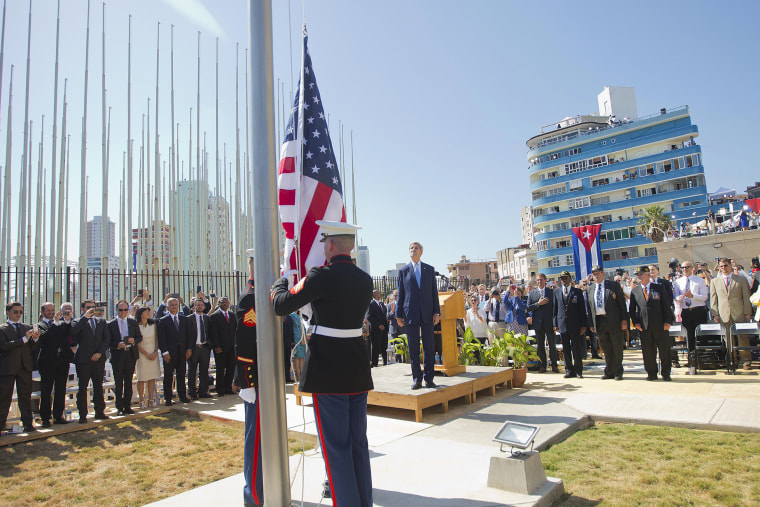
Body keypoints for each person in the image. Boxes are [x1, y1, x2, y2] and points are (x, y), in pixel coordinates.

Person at [272, 220, 374, 507]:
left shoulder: (320, 276)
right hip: (356, 371)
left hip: (329, 373)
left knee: (336, 449)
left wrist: (281, 281)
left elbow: (281, 304)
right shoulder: (365, 279)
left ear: (329, 244)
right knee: (358, 446)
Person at [235, 254, 263, 506]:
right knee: (255, 442)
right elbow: (244, 345)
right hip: (256, 381)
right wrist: (248, 382)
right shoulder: (251, 298)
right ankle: (253, 496)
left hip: (268, 378)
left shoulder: (263, 294)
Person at [395, 241, 441, 390]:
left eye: (415, 248)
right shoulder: (404, 271)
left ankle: (429, 379)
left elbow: (434, 293)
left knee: (429, 346)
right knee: (413, 348)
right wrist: (398, 314)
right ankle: (417, 379)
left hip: (427, 313)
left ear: (421, 252)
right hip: (410, 314)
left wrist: (436, 312)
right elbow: (400, 294)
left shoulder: (429, 269)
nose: (413, 250)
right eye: (410, 248)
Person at [0, 302, 40, 433]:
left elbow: (32, 348)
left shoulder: (26, 327)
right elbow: (4, 346)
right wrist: (24, 339)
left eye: (20, 312)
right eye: (15, 312)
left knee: (25, 397)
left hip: (24, 366)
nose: (18, 314)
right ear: (8, 312)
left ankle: (28, 424)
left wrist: (34, 339)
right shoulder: (2, 329)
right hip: (8, 367)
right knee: (4, 398)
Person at [629, 266, 674, 380]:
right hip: (644, 326)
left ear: (648, 275)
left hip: (660, 325)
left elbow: (666, 306)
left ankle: (666, 373)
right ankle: (651, 373)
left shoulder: (658, 288)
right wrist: (635, 323)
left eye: (641, 275)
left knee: (664, 350)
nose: (639, 277)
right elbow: (632, 309)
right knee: (648, 351)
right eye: (638, 275)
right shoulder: (635, 291)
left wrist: (668, 321)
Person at [71, 300, 112, 423]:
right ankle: (82, 414)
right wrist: (85, 318)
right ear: (83, 309)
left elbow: (107, 338)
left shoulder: (101, 321)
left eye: (93, 307)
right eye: (88, 307)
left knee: (98, 386)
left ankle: (100, 411)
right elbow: (73, 333)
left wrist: (100, 352)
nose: (91, 309)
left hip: (98, 359)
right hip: (84, 360)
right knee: (82, 387)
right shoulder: (77, 322)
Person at [710, 258, 754, 370]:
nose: (723, 268)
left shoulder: (741, 279)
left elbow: (746, 297)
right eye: (721, 266)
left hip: (739, 312)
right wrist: (715, 314)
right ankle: (732, 360)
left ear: (730, 266)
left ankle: (746, 361)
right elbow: (713, 299)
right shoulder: (715, 281)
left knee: (742, 337)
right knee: (728, 338)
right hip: (724, 313)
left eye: (725, 265)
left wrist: (748, 313)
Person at [586, 266, 629, 380]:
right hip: (599, 321)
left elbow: (621, 303)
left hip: (613, 320)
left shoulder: (613, 285)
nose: (596, 276)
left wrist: (624, 319)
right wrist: (591, 324)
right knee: (606, 348)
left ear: (603, 274)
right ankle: (609, 371)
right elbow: (589, 308)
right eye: (594, 274)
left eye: (598, 273)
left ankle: (618, 371)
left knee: (617, 346)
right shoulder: (590, 289)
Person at [36, 302, 75, 426]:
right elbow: (44, 338)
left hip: (62, 360)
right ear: (42, 312)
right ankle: (45, 418)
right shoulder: (40, 325)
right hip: (47, 362)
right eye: (48, 311)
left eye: (53, 310)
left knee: (60, 389)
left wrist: (67, 320)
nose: (51, 313)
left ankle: (58, 416)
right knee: (46, 391)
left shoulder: (60, 323)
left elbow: (68, 332)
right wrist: (55, 323)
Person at [107, 300, 142, 415]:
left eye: (125, 310)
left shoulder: (133, 322)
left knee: (128, 381)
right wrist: (117, 345)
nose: (123, 312)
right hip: (118, 355)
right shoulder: (111, 324)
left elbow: (139, 337)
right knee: (118, 383)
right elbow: (107, 341)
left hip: (130, 354)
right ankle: (119, 407)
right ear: (117, 310)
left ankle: (127, 406)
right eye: (121, 310)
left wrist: (133, 341)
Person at [673, 261, 708, 371]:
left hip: (698, 310)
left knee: (701, 337)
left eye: (687, 267)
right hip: (686, 311)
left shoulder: (699, 280)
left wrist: (692, 296)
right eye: (682, 267)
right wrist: (678, 298)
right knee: (689, 337)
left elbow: (704, 297)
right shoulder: (678, 282)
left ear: (692, 268)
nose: (685, 269)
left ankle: (701, 360)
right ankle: (691, 361)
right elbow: (675, 295)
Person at [157, 297, 192, 405]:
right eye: (171, 305)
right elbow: (161, 339)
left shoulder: (184, 319)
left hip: (182, 353)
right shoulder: (163, 320)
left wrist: (189, 349)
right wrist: (165, 352)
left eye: (175, 304)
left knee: (181, 375)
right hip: (169, 354)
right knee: (168, 377)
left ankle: (182, 396)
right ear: (167, 307)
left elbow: (189, 335)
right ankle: (168, 398)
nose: (174, 306)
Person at [553, 271, 588, 378]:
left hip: (575, 324)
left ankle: (578, 370)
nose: (564, 280)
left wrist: (583, 325)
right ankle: (569, 370)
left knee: (576, 348)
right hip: (562, 324)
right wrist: (555, 323)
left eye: (566, 278)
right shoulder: (557, 292)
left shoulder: (577, 291)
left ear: (570, 279)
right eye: (562, 278)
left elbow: (582, 309)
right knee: (566, 349)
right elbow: (555, 309)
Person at [527, 273, 558, 373]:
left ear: (545, 280)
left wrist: (555, 323)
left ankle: (554, 365)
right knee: (540, 346)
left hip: (549, 323)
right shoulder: (532, 293)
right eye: (538, 280)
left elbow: (555, 308)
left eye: (541, 280)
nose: (539, 282)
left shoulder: (551, 292)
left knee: (552, 345)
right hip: (538, 323)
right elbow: (527, 308)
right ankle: (543, 365)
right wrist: (538, 304)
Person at [209, 296, 237, 396]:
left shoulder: (232, 315)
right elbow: (214, 333)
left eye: (226, 302)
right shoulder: (214, 316)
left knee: (231, 368)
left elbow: (235, 331)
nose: (224, 304)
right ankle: (220, 389)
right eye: (222, 302)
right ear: (219, 304)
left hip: (231, 347)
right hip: (220, 347)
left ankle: (228, 387)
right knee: (220, 369)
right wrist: (216, 346)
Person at [135, 307, 160, 409]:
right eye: (145, 312)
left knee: (151, 377)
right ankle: (141, 400)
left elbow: (156, 339)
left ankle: (151, 398)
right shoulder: (136, 326)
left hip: (153, 352)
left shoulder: (153, 324)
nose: (148, 313)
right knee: (141, 378)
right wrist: (146, 354)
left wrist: (155, 351)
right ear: (141, 314)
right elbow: (137, 343)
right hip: (142, 354)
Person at [186, 298, 212, 399]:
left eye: (201, 305)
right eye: (197, 305)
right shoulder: (189, 319)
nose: (199, 306)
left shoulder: (206, 318)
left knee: (204, 371)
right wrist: (188, 348)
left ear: (204, 306)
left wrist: (209, 345)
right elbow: (186, 335)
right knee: (192, 371)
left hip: (205, 347)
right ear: (194, 307)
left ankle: (203, 392)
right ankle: (192, 393)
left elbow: (209, 332)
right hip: (194, 348)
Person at [367, 289, 389, 367]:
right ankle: (375, 363)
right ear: (375, 295)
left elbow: (384, 315)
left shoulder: (382, 304)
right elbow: (369, 317)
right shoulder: (371, 304)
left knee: (384, 346)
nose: (380, 293)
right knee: (376, 347)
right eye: (379, 292)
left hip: (384, 329)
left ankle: (386, 362)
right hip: (376, 330)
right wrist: (378, 325)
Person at [290, 313, 308, 382]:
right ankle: (298, 374)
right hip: (296, 338)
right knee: (297, 357)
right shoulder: (292, 315)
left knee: (302, 356)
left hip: (302, 338)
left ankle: (302, 374)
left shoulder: (301, 316)